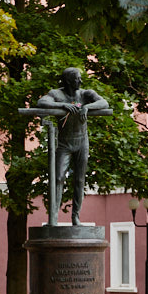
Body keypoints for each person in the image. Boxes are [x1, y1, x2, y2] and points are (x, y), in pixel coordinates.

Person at [37, 67, 111, 226]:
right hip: (65, 143)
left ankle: (75, 216)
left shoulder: (85, 94)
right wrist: (62, 106)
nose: (81, 81)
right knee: (58, 178)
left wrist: (87, 107)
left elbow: (104, 102)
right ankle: (54, 217)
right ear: (69, 81)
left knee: (79, 180)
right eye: (77, 79)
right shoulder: (57, 94)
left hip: (81, 142)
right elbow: (41, 102)